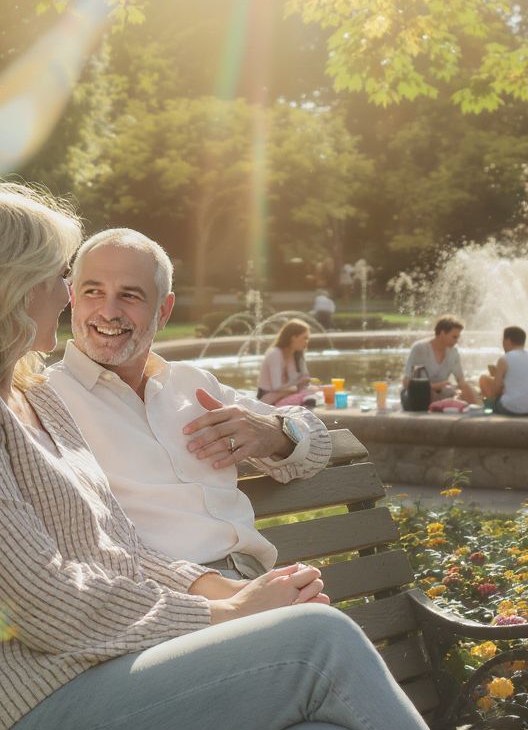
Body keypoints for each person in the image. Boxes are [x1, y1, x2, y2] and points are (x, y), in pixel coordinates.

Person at [0, 183, 463, 730]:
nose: (65, 297)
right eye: (59, 278)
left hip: (112, 686)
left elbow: (121, 550)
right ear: (3, 283)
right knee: (319, 644)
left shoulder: (30, 396)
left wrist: (237, 595)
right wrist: (221, 612)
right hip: (31, 727)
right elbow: (37, 598)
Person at [48, 229, 331, 580]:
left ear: (164, 311)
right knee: (329, 629)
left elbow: (319, 442)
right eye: (93, 292)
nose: (108, 311)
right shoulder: (47, 400)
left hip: (254, 578)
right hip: (171, 599)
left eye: (130, 295)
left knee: (328, 626)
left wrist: (274, 432)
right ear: (73, 298)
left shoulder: (192, 385)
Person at [401, 314, 480, 406]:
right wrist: (436, 386)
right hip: (418, 395)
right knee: (431, 392)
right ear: (442, 333)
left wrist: (470, 391)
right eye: (454, 337)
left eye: (458, 337)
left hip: (441, 394)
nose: (457, 341)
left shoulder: (453, 352)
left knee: (466, 388)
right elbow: (406, 383)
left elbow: (461, 381)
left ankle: (479, 412)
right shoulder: (420, 348)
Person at [479, 325, 528, 415]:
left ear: (507, 341)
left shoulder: (504, 359)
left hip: (511, 409)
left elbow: (496, 391)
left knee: (484, 379)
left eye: (503, 341)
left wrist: (496, 377)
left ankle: (487, 410)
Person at [258, 319, 317, 408]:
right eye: (304, 338)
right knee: (308, 395)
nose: (306, 342)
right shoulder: (275, 353)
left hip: (287, 395)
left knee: (313, 392)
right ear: (293, 337)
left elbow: (304, 378)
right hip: (269, 399)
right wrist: (299, 384)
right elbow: (276, 387)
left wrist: (304, 382)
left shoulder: (297, 354)